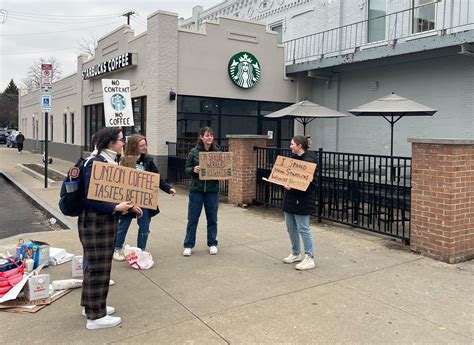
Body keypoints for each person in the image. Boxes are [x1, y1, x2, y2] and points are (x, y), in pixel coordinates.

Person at [78, 127, 143, 330]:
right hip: (96, 222)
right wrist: (116, 207)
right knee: (99, 269)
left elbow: (111, 194)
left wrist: (129, 207)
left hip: (103, 221)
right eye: (121, 140)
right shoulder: (96, 162)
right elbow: (91, 198)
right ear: (110, 143)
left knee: (96, 267)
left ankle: (91, 305)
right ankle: (95, 317)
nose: (124, 143)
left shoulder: (105, 161)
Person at [113, 134, 176, 261]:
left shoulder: (148, 161)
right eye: (141, 145)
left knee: (144, 226)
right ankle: (117, 248)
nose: (145, 147)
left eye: (145, 145)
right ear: (133, 146)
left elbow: (157, 178)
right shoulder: (122, 159)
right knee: (123, 224)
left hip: (144, 199)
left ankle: (141, 250)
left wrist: (168, 188)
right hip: (128, 199)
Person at [183, 127, 220, 256]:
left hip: (212, 190)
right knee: (192, 218)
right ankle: (188, 245)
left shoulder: (217, 152)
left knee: (212, 219)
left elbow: (224, 169)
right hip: (196, 190)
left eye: (211, 135)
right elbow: (186, 168)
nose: (209, 137)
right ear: (201, 137)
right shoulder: (194, 152)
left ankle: (212, 243)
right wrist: (194, 169)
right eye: (207, 135)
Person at [282, 135, 317, 270]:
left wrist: (294, 185)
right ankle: (296, 253)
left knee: (303, 228)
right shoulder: (292, 160)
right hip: (290, 198)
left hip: (302, 199)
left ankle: (310, 257)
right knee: (291, 227)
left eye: (292, 144)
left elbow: (310, 182)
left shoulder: (309, 162)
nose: (290, 146)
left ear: (299, 146)